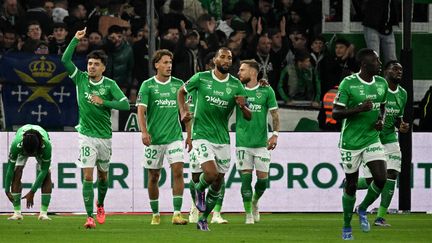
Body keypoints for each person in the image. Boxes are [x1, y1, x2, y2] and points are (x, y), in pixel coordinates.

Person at [61, 27, 130, 229]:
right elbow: (65, 60)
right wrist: (75, 39)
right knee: (88, 176)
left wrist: (104, 102)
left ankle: (100, 204)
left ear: (103, 68)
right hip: (85, 135)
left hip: (104, 136)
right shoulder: (80, 78)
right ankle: (89, 216)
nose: (91, 67)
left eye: (96, 64)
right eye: (90, 63)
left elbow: (126, 104)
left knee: (103, 177)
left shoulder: (109, 85)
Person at [177, 47, 252, 231]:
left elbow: (249, 116)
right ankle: (197, 191)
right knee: (210, 174)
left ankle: (203, 218)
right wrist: (183, 111)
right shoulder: (201, 78)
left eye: (230, 58)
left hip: (222, 138)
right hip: (201, 134)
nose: (226, 60)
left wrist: (243, 108)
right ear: (215, 60)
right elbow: (181, 92)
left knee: (218, 182)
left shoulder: (236, 85)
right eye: (223, 57)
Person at [332, 48, 388, 240]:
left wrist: (381, 119)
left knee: (381, 178)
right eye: (376, 60)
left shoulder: (381, 83)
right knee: (352, 185)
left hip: (371, 138)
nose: (380, 63)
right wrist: (358, 109)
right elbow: (335, 114)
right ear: (365, 64)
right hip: (350, 142)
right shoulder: (348, 83)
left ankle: (362, 208)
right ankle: (346, 226)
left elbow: (383, 107)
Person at [136, 49, 188, 225]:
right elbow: (141, 111)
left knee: (178, 171)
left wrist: (189, 133)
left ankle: (177, 213)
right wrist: (144, 132)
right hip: (154, 139)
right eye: (165, 62)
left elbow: (185, 110)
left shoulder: (179, 84)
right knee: (153, 177)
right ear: (156, 65)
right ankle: (155, 213)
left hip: (174, 137)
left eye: (170, 63)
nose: (169, 66)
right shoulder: (148, 85)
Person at [357, 61, 409, 226]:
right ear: (385, 72)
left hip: (390, 138)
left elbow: (397, 118)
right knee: (373, 181)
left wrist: (401, 125)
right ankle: (352, 185)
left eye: (401, 69)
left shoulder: (403, 93)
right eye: (395, 69)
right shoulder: (376, 89)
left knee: (392, 174)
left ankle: (380, 217)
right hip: (371, 138)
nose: (399, 72)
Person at [236, 60, 280, 224]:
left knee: (263, 181)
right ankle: (248, 214)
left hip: (261, 143)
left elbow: (275, 114)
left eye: (242, 70)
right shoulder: (236, 88)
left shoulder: (266, 90)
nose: (239, 73)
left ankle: (254, 202)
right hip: (242, 142)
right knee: (246, 180)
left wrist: (275, 134)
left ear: (253, 72)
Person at [4, 124, 52, 221]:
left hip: (39, 148)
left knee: (47, 174)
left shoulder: (46, 146)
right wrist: (7, 190)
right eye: (28, 152)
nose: (30, 155)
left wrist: (32, 192)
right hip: (23, 148)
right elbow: (10, 168)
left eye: (32, 152)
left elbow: (43, 170)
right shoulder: (16, 145)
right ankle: (17, 213)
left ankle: (43, 214)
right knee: (16, 172)